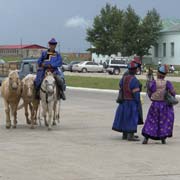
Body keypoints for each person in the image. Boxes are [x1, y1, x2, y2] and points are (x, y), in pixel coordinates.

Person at [142, 64, 176, 144]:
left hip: (155, 105)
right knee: (164, 121)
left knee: (151, 120)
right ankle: (163, 138)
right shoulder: (168, 83)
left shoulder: (153, 83)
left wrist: (152, 97)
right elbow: (173, 93)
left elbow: (150, 92)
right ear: (165, 75)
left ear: (157, 73)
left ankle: (146, 137)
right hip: (164, 106)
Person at [112, 61, 141, 141]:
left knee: (124, 117)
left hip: (123, 102)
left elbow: (121, 87)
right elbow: (136, 94)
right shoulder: (134, 80)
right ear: (135, 70)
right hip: (131, 102)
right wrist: (138, 101)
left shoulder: (124, 78)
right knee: (132, 118)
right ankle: (130, 135)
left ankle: (124, 134)